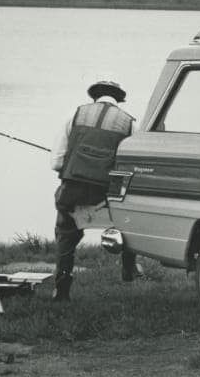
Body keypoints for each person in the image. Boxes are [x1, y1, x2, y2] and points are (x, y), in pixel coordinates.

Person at [50, 76, 137, 301]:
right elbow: (129, 167)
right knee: (130, 220)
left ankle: (62, 289)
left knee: (65, 234)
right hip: (107, 195)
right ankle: (128, 270)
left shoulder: (75, 115)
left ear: (94, 96)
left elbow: (56, 163)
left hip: (73, 192)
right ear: (119, 99)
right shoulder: (130, 123)